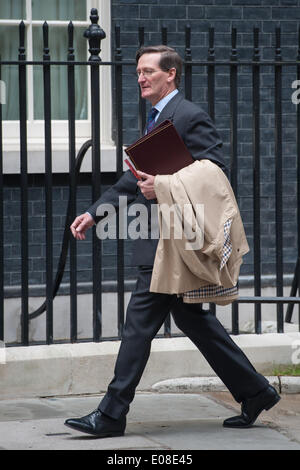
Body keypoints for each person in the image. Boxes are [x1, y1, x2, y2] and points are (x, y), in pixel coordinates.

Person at [65, 45, 280, 437]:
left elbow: (215, 171)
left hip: (175, 244)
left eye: (148, 71)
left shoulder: (189, 115)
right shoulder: (156, 117)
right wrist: (95, 212)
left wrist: (163, 186)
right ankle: (256, 391)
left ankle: (112, 414)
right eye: (138, 72)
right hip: (165, 240)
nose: (140, 78)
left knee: (138, 324)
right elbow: (134, 180)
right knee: (192, 319)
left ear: (171, 75)